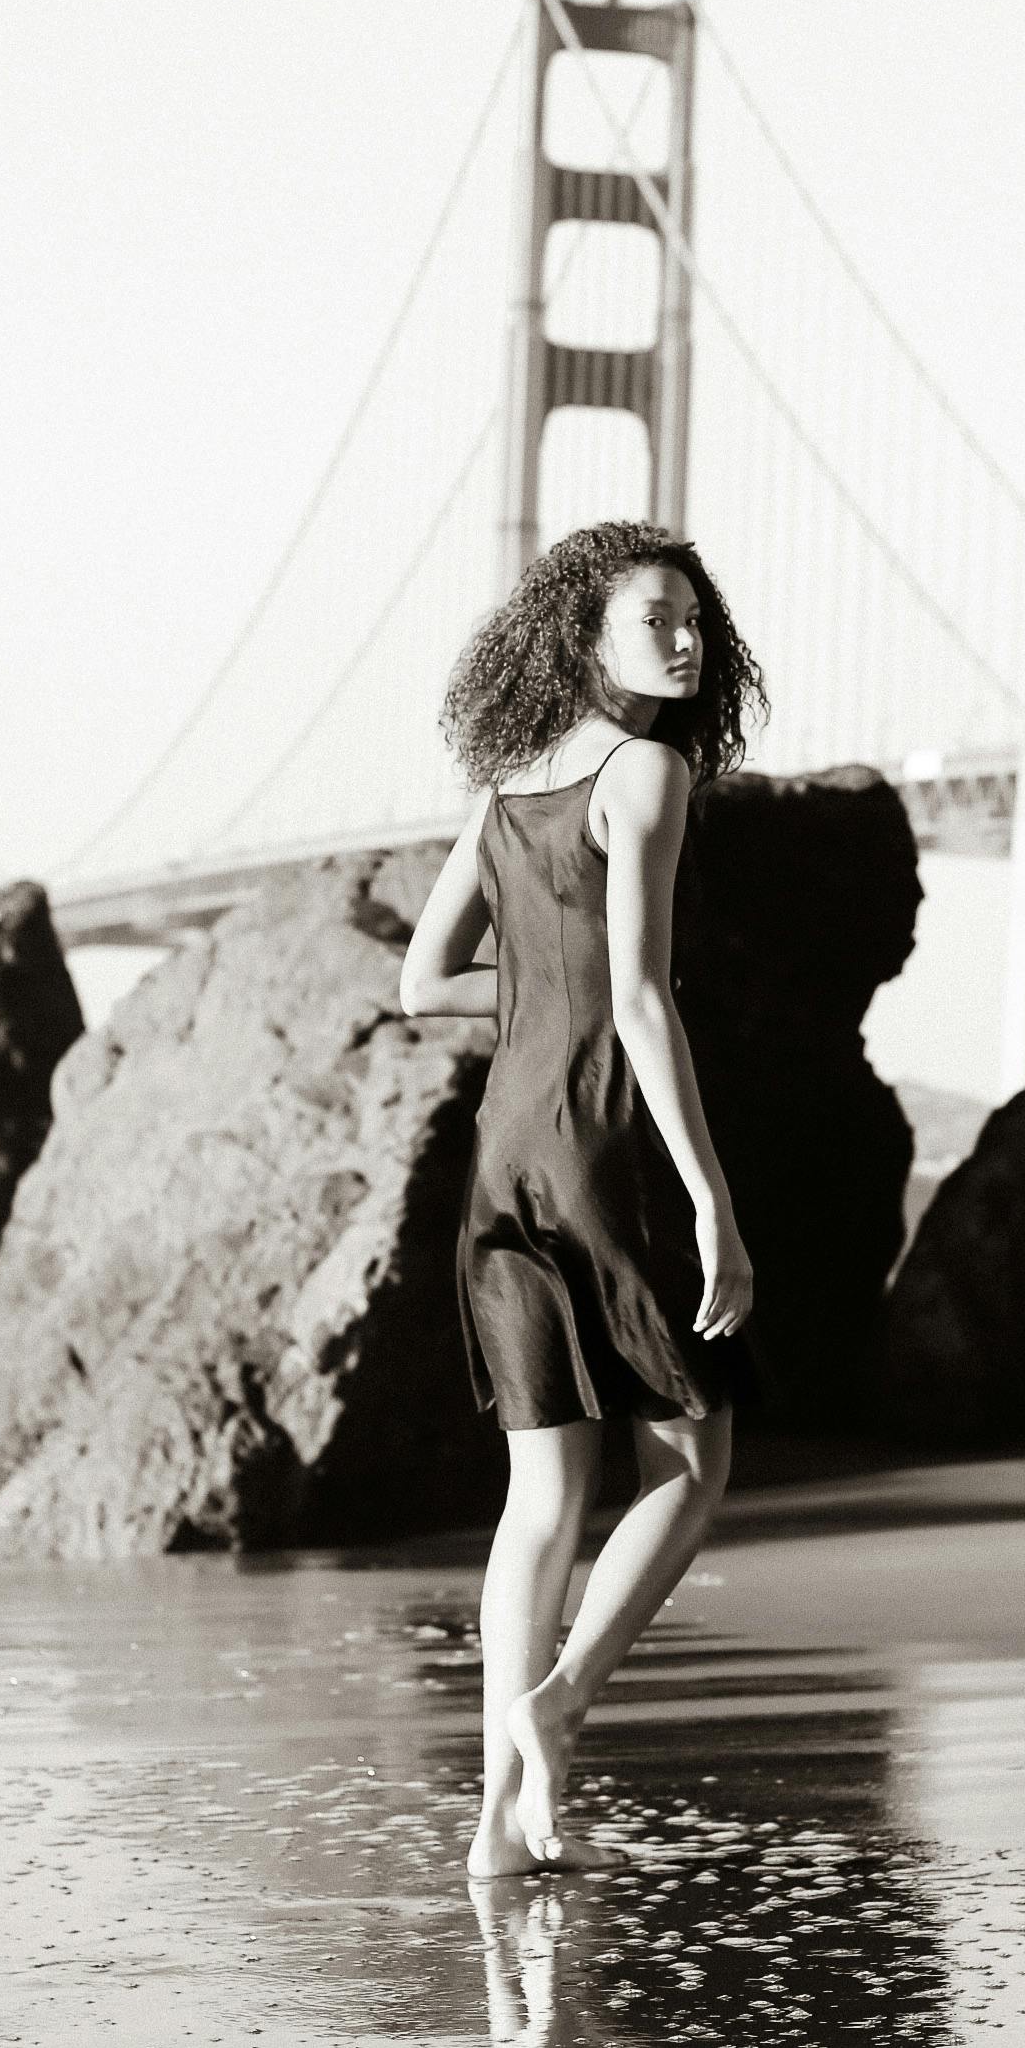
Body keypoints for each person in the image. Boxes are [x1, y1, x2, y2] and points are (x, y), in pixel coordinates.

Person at [400, 519, 769, 1877]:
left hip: (505, 1158)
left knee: (539, 1500)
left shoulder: (506, 787)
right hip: (606, 1147)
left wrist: (537, 993)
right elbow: (641, 999)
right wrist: (714, 1204)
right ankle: (555, 1711)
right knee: (692, 1460)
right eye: (655, 619)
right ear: (587, 639)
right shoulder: (649, 775)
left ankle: (504, 1821)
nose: (685, 640)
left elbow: (422, 979)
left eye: (694, 619)